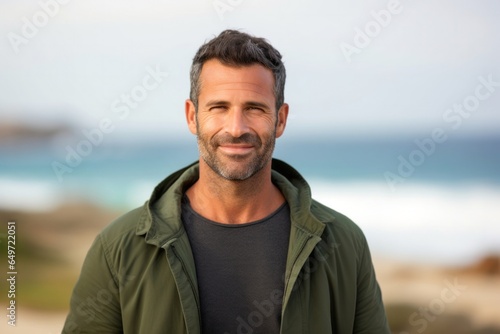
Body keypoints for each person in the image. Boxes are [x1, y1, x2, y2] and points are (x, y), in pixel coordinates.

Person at [63, 29, 390, 334]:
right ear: (193, 116)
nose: (236, 127)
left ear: (281, 119)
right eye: (219, 107)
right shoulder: (118, 247)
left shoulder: (344, 244)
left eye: (255, 108)